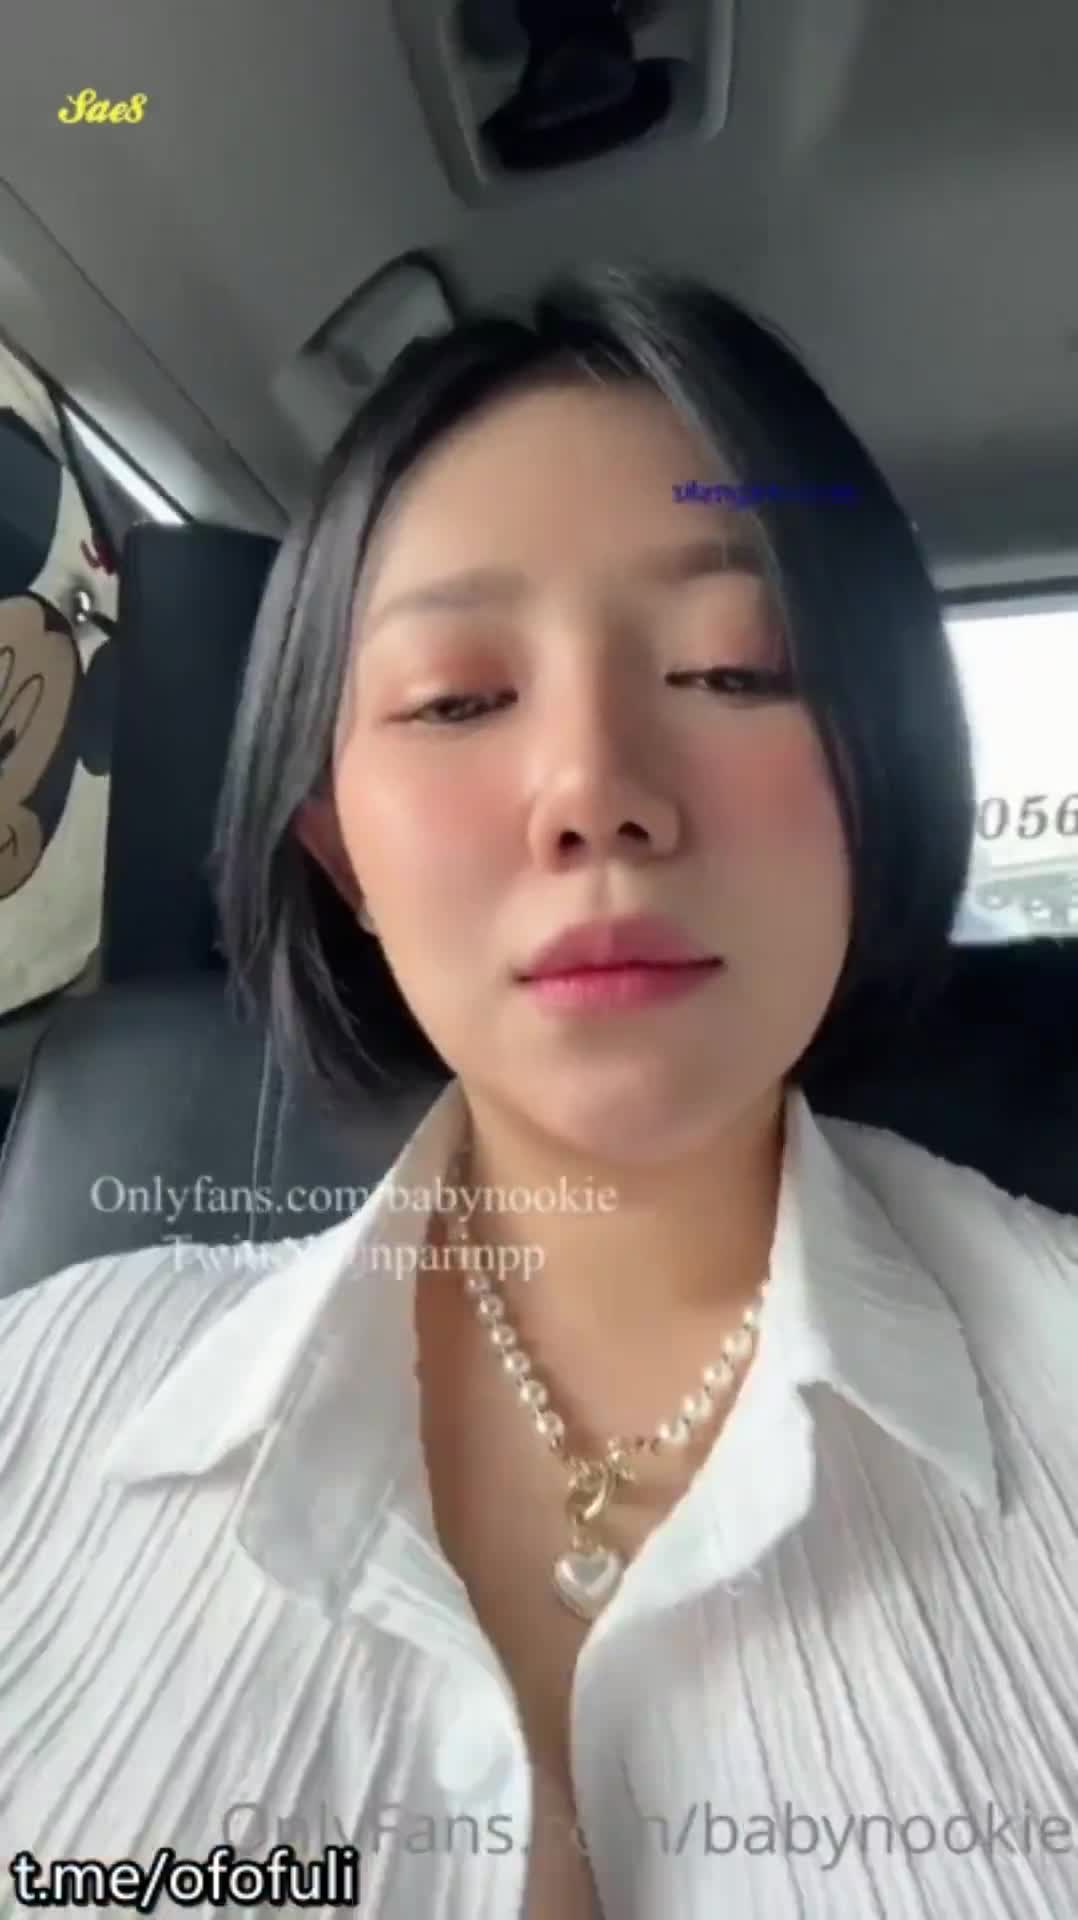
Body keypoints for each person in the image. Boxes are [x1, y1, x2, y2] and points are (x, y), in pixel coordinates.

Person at [2, 262, 1076, 1920]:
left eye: (732, 668)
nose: (592, 792)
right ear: (340, 852)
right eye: (456, 699)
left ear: (881, 774)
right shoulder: (41, 1390)